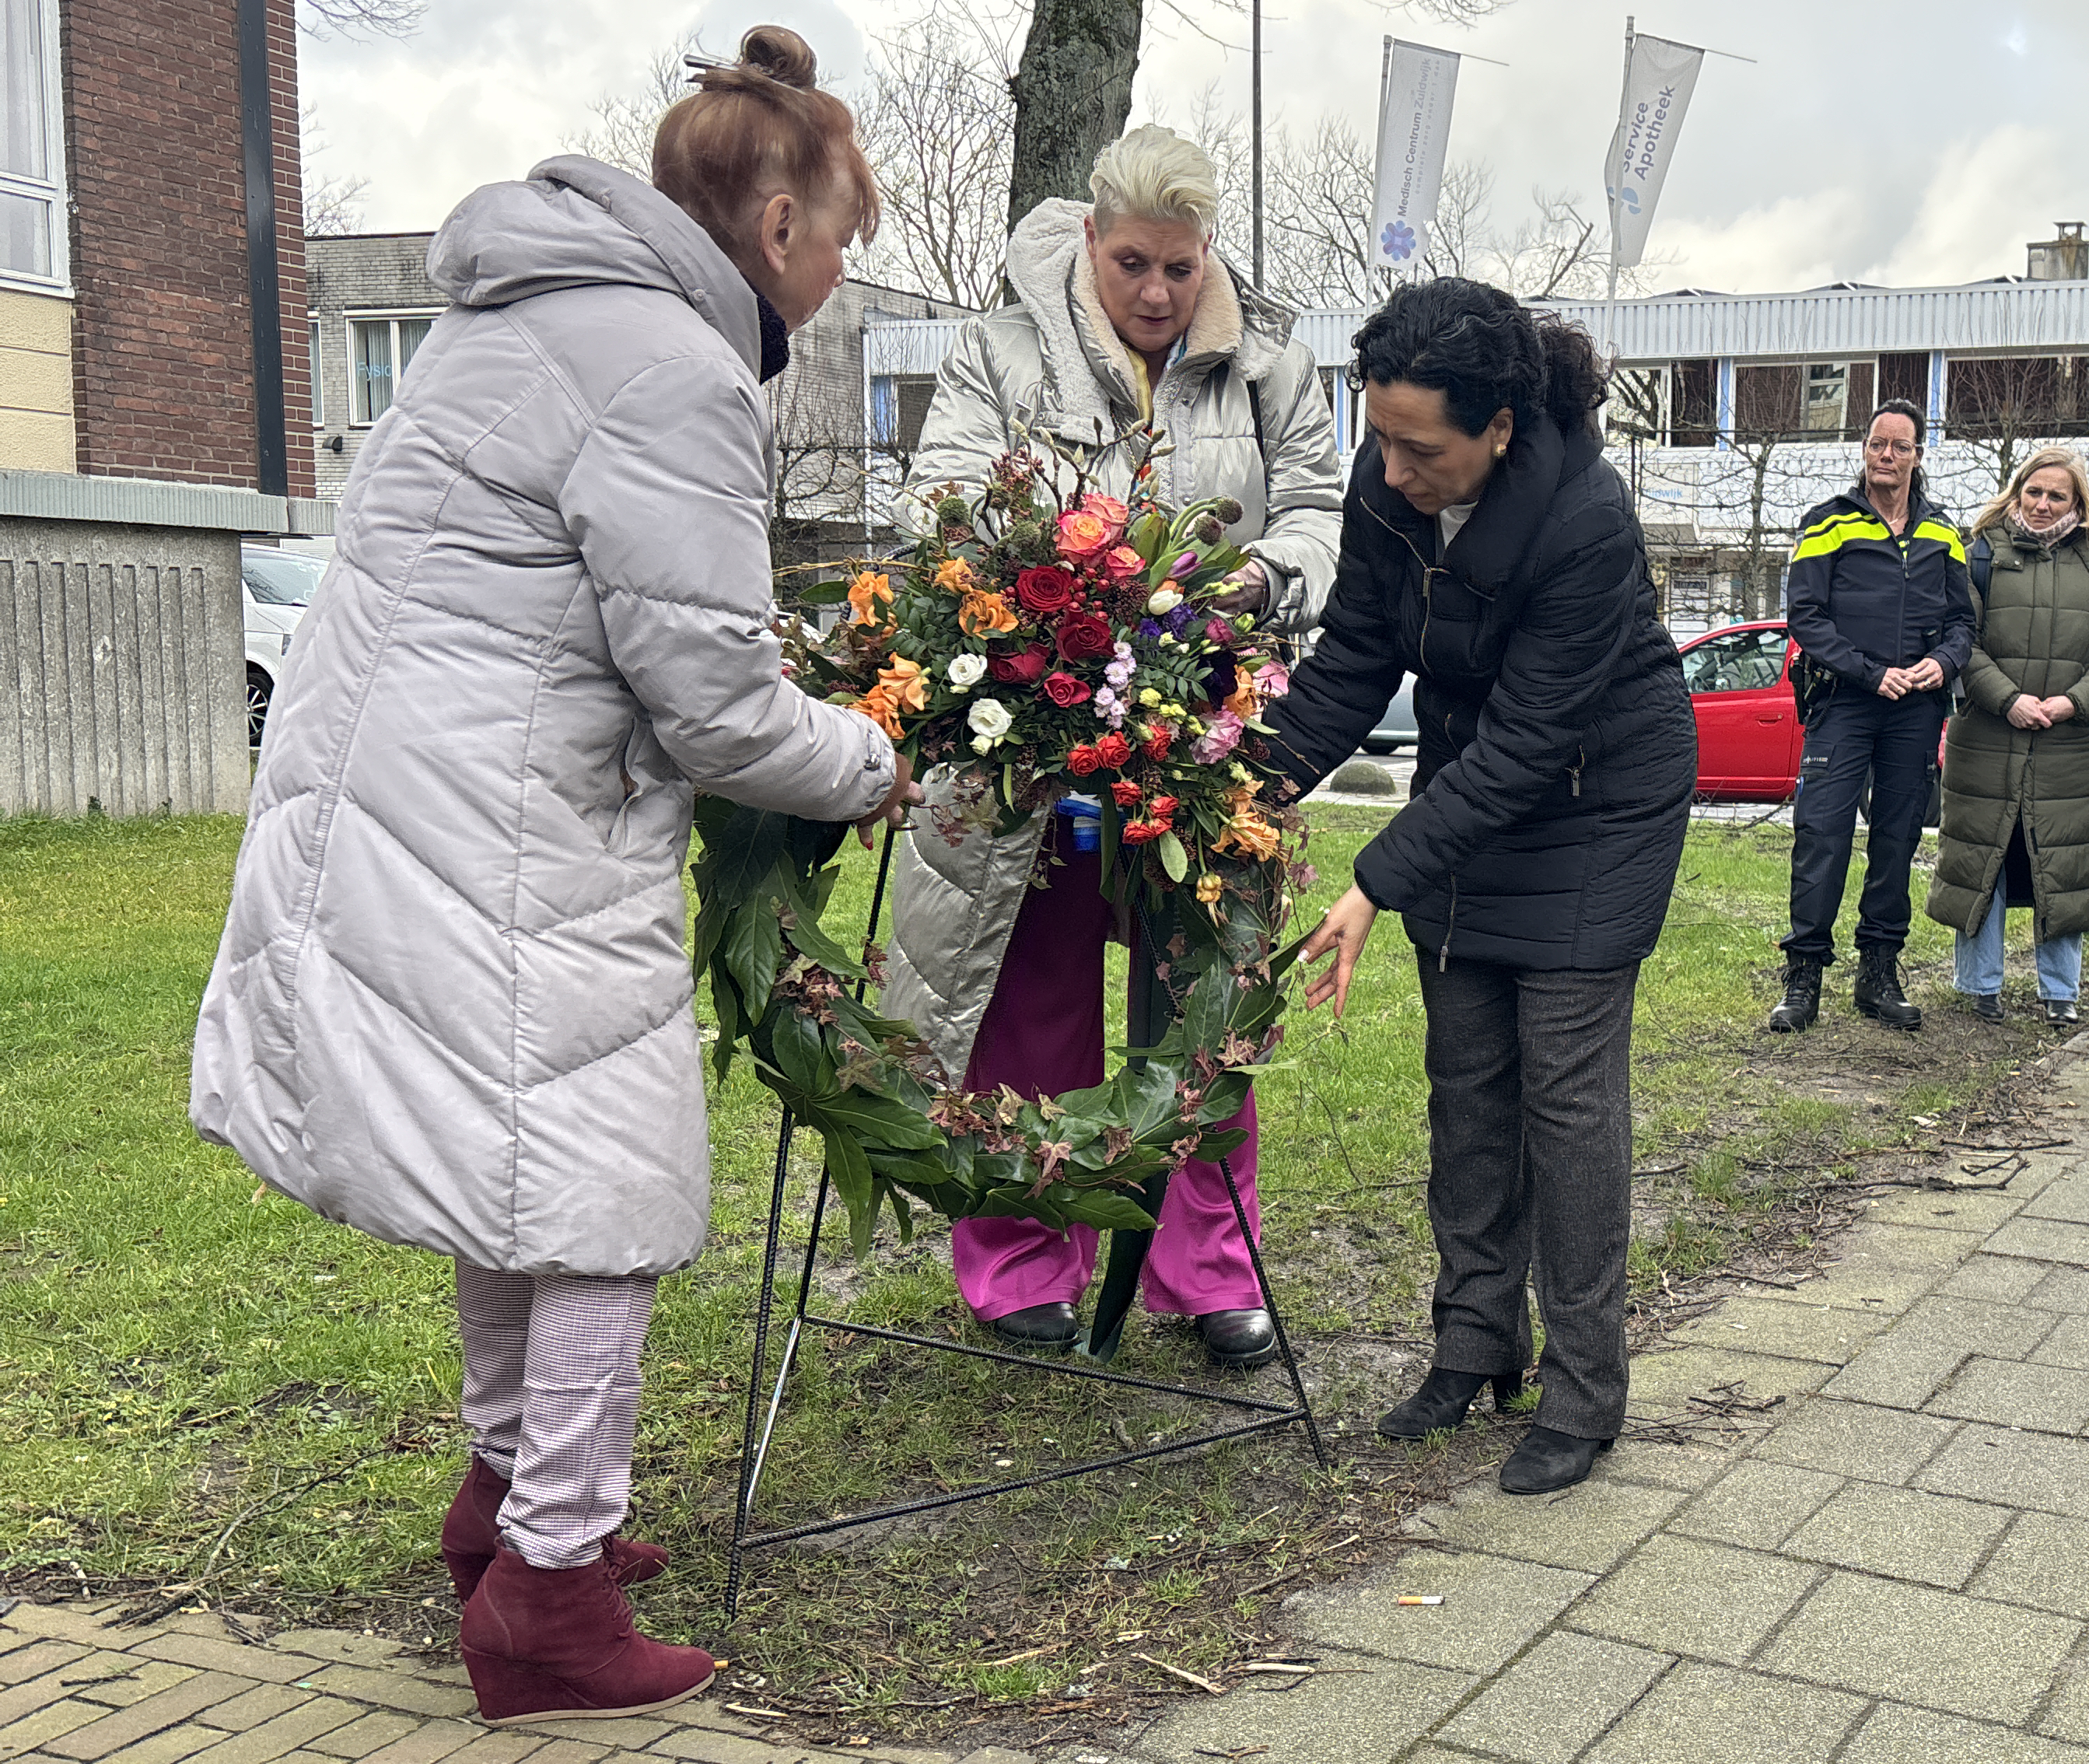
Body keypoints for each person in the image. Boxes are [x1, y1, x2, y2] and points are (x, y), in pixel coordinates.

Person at [190, 27, 922, 1722]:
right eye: (839, 239)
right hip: (513, 825)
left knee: (508, 1165)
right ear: (781, 222)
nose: (831, 278)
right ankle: (552, 1590)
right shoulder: (668, 366)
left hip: (402, 800)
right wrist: (875, 761)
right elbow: (719, 707)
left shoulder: (507, 322)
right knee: (601, 1190)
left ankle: (508, 1500)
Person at [882, 125, 1344, 1367]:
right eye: (1133, 263)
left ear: (1209, 258)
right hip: (1035, 729)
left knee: (1208, 1001)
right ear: (1088, 241)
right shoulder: (997, 351)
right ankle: (1027, 1253)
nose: (1156, 293)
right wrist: (1062, 577)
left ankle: (1211, 1264)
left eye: (1181, 269)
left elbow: (1318, 513)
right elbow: (945, 501)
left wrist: (1253, 581)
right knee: (1028, 997)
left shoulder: (1270, 372)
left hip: (1206, 732)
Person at [1258, 278, 1697, 1496]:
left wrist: (1372, 883)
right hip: (1478, 785)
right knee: (1466, 1079)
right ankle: (1474, 1342)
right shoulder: (1383, 486)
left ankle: (1585, 1388)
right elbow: (1353, 656)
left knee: (1563, 1093)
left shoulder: (1586, 520)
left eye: (1422, 446)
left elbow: (1531, 739)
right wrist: (1248, 792)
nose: (1393, 469)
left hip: (1597, 796)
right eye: (1378, 435)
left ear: (1500, 426)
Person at [1770, 400, 1977, 1033]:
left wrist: (1941, 664)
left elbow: (1963, 622)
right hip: (1845, 700)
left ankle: (1878, 972)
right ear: (1863, 449)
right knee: (1822, 834)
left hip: (1916, 709)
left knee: (1897, 839)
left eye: (1900, 447)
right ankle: (1804, 974)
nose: (1886, 456)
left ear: (1918, 456)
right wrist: (1869, 670)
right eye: (1876, 444)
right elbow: (1805, 616)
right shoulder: (1828, 523)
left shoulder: (1944, 532)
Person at [1927, 446, 2089, 1024]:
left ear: (2078, 502)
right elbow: (1959, 640)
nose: (2043, 505)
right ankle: (1979, 987)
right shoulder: (1977, 554)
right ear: (2017, 491)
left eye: (2058, 495)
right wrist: (2007, 699)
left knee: (2065, 863)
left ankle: (2061, 993)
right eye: (2034, 492)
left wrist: (2076, 701)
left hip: (2070, 740)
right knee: (1982, 857)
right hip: (1987, 735)